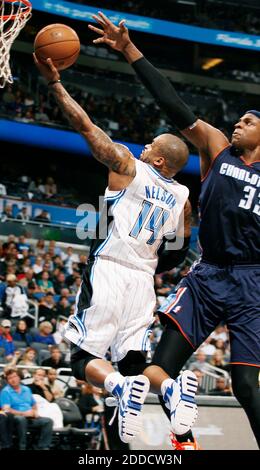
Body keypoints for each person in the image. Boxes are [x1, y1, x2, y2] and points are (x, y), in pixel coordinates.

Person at [89, 13, 260, 449]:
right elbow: (175, 106)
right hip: (208, 274)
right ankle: (184, 435)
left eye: (248, 121)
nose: (237, 124)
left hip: (251, 281)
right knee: (155, 367)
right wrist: (129, 50)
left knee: (245, 385)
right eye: (239, 120)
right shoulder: (218, 148)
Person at [33, 52, 198, 444]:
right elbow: (178, 250)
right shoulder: (184, 197)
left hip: (110, 267)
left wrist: (55, 84)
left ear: (158, 157)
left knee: (81, 360)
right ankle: (170, 390)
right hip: (143, 282)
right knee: (134, 362)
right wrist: (153, 263)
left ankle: (120, 389)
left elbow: (85, 125)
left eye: (150, 144)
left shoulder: (128, 164)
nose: (142, 145)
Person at [0, 368, 53, 450]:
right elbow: (7, 410)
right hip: (15, 419)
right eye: (9, 378)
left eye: (14, 376)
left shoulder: (27, 389)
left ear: (19, 377)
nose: (13, 379)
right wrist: (24, 414)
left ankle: (43, 447)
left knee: (48, 421)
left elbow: (34, 404)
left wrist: (35, 412)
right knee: (21, 419)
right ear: (7, 380)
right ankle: (22, 447)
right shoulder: (5, 392)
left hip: (30, 417)